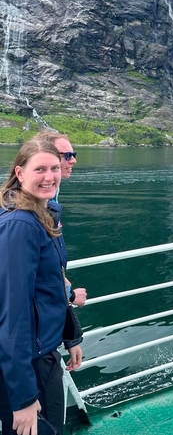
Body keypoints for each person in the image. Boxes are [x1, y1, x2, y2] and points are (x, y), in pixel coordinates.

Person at [0, 138, 83, 435]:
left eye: (54, 168)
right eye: (40, 170)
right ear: (20, 173)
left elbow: (51, 286)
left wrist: (70, 336)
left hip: (43, 353)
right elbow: (14, 313)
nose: (49, 177)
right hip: (30, 364)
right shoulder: (20, 226)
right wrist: (23, 398)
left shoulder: (42, 213)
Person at [33, 131, 86, 309]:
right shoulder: (25, 214)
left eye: (74, 155)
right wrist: (70, 294)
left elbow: (46, 255)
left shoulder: (50, 198)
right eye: (68, 156)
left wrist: (63, 280)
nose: (73, 161)